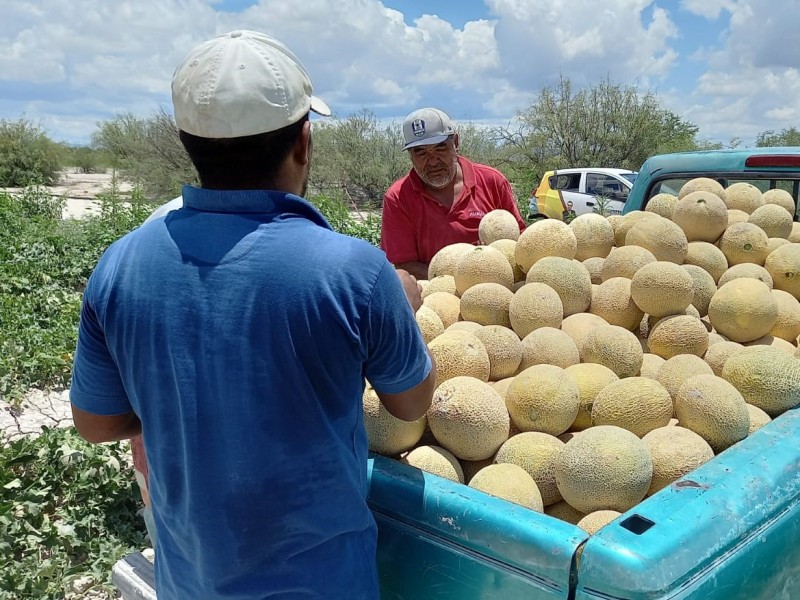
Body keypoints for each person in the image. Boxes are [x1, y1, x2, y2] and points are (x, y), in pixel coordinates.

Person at [69, 29, 436, 600]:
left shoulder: (120, 264)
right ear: (303, 142)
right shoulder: (356, 272)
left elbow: (96, 424)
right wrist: (399, 314)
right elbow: (411, 403)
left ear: (186, 141)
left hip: (190, 578)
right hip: (324, 584)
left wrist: (190, 411)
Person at [380, 107, 526, 280]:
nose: (433, 161)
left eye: (440, 148)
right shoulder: (397, 198)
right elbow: (403, 264)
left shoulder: (492, 181)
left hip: (496, 287)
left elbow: (518, 243)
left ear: (455, 143)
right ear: (411, 156)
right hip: (435, 296)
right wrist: (458, 280)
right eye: (421, 152)